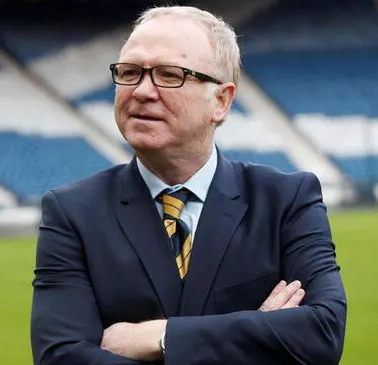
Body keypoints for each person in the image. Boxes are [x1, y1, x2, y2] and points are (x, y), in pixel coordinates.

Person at [30, 5, 347, 365]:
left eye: (169, 75)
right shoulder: (72, 211)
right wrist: (258, 332)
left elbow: (322, 335)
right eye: (130, 72)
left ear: (222, 101)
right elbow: (61, 357)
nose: (142, 91)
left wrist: (162, 337)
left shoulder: (286, 199)